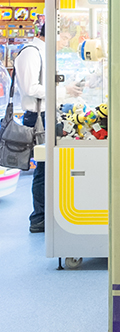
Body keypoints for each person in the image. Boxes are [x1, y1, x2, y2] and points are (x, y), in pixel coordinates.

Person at [14, 22, 46, 233]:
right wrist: (60, 88)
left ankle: (45, 214)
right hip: (37, 118)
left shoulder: (42, 52)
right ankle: (38, 218)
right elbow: (30, 88)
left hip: (45, 115)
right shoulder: (31, 52)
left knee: (47, 168)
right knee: (43, 168)